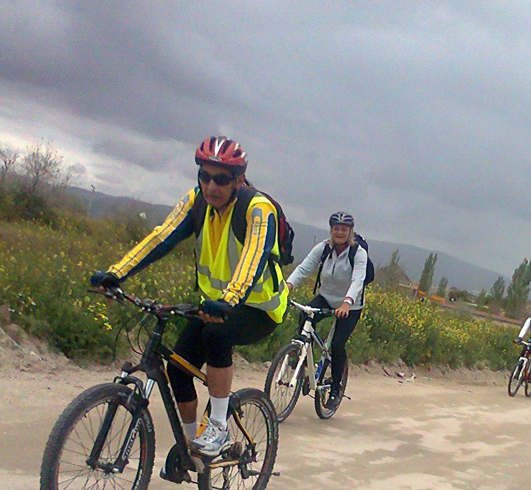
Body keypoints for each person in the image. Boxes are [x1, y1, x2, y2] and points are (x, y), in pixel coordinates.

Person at [90, 136, 288, 470]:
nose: (212, 185)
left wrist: (229, 300)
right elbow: (160, 237)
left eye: (222, 179)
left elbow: (254, 258)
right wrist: (116, 273)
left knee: (216, 335)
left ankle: (220, 427)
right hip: (216, 304)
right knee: (178, 370)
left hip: (259, 308)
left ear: (239, 179)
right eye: (205, 176)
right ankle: (190, 450)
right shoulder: (196, 202)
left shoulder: (258, 209)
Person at [285, 211, 367, 409]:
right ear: (331, 230)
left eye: (344, 229)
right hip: (326, 297)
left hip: (350, 305)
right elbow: (304, 268)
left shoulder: (358, 253)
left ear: (350, 232)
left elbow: (358, 280)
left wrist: (347, 302)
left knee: (337, 345)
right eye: (336, 228)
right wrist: (287, 286)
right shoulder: (323, 248)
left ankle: (336, 388)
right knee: (305, 315)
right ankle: (303, 357)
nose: (339, 232)